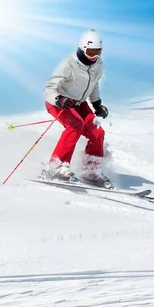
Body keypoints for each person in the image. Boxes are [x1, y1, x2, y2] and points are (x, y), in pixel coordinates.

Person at [43, 29, 112, 188]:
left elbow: (93, 86)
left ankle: (91, 171)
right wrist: (59, 99)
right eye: (91, 51)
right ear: (82, 48)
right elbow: (49, 89)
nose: (95, 56)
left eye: (98, 51)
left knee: (97, 132)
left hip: (79, 104)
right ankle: (57, 167)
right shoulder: (68, 64)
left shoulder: (98, 65)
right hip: (59, 102)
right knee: (75, 125)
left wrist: (97, 104)